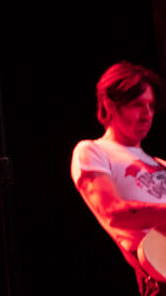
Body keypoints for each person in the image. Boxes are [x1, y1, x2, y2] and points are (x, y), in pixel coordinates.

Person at [71, 61, 166, 295]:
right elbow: (113, 212)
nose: (147, 115)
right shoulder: (93, 151)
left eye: (151, 106)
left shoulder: (160, 163)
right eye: (137, 105)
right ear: (110, 105)